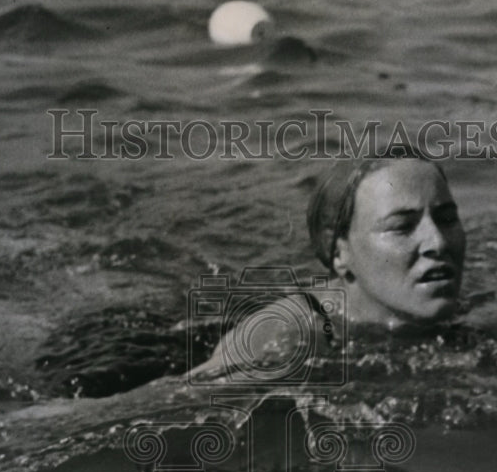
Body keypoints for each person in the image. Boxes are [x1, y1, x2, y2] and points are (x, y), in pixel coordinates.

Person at [191, 146, 466, 380]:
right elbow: (166, 405)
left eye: (447, 219)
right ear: (339, 254)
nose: (438, 242)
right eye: (401, 227)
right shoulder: (287, 337)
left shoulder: (464, 313)